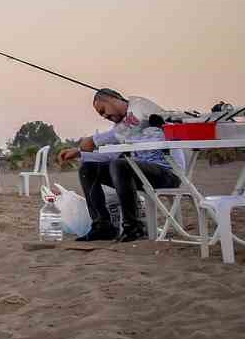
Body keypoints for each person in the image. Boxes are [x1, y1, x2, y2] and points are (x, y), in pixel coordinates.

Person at [57, 88, 178, 243]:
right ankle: (102, 226)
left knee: (120, 165)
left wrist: (93, 140)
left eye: (103, 111)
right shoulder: (121, 127)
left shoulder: (139, 108)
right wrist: (80, 154)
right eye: (102, 115)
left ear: (112, 99)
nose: (105, 116)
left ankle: (133, 227)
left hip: (168, 173)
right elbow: (112, 154)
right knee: (89, 168)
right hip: (141, 174)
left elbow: (125, 129)